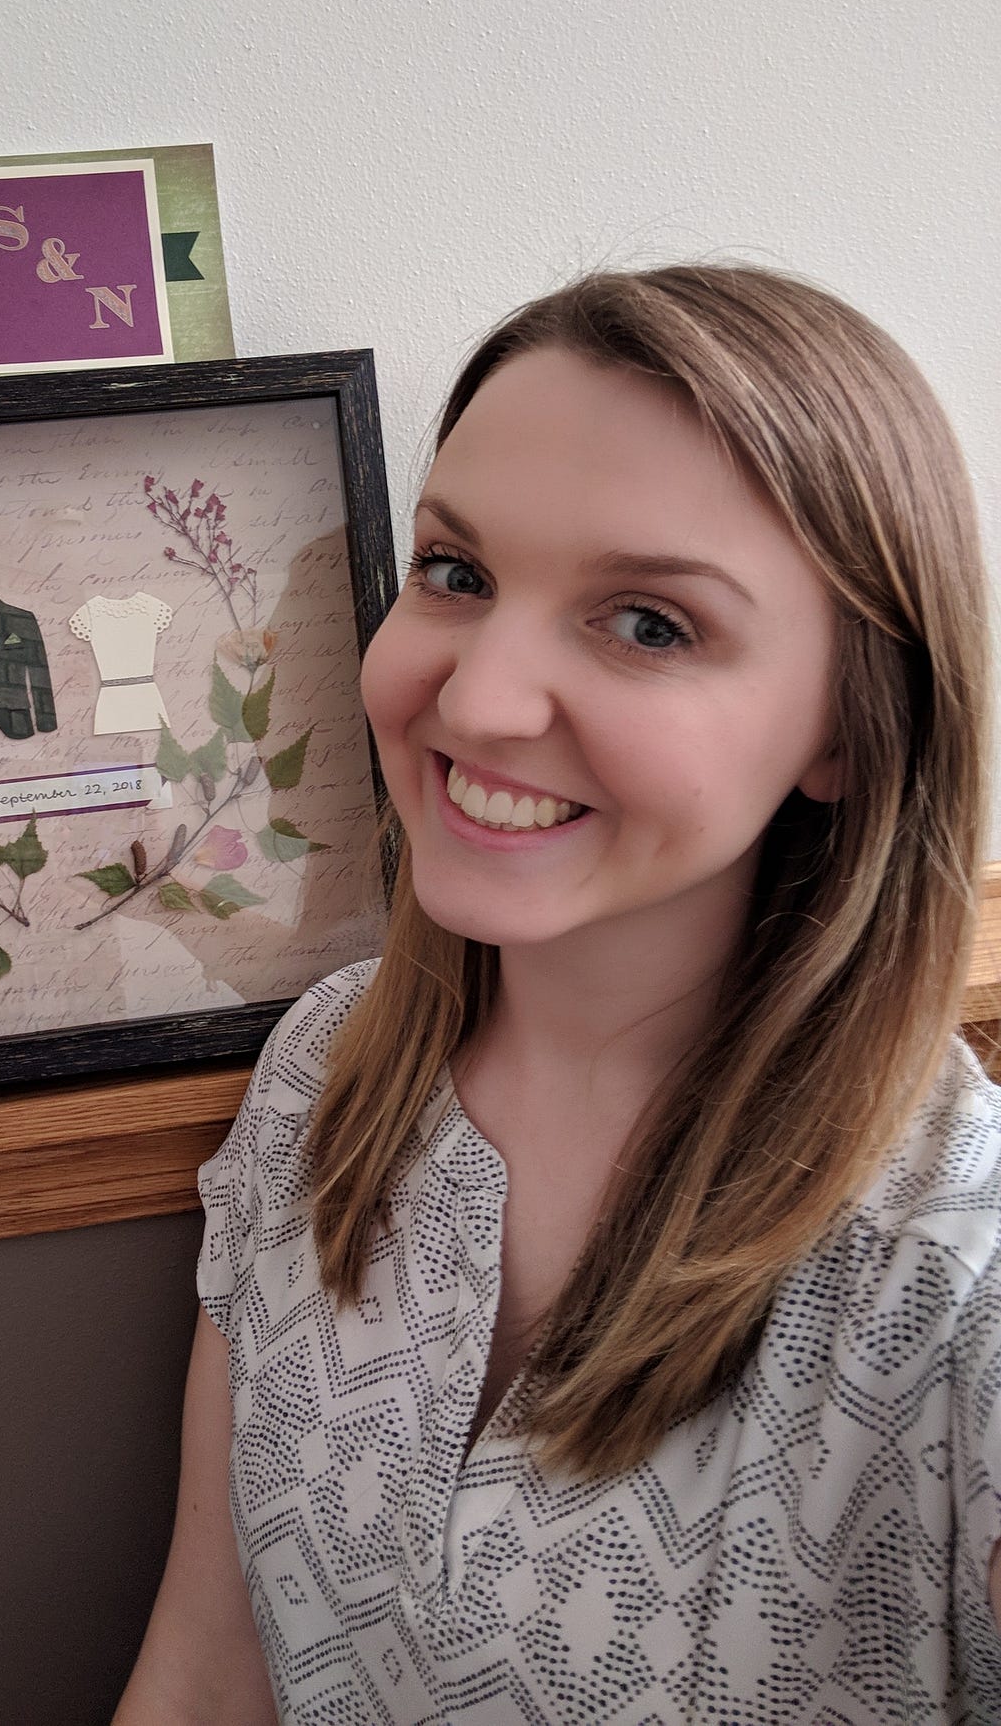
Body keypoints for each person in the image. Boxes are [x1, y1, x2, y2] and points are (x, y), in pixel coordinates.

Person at [113, 265, 1001, 1723]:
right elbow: (209, 1676)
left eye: (648, 622)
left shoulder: (953, 1288)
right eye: (457, 573)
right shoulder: (322, 1077)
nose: (475, 702)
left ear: (848, 725)